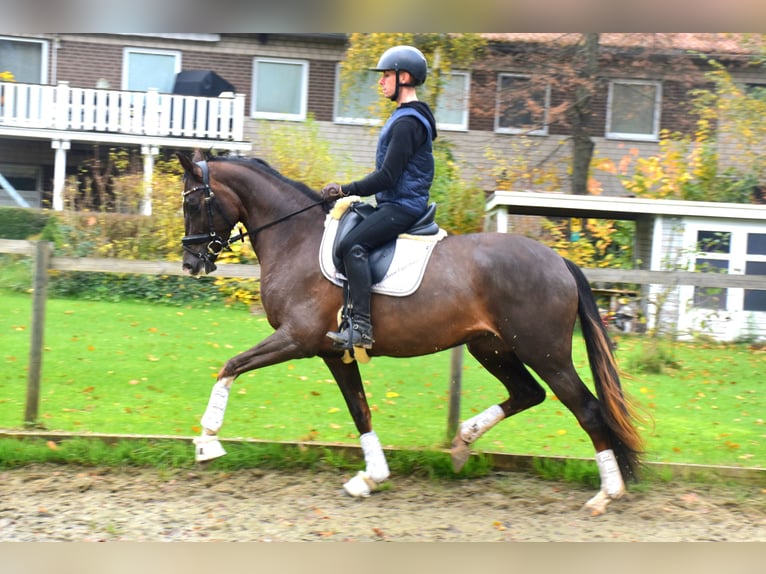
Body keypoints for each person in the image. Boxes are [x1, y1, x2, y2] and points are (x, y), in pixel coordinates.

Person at [321, 45, 437, 350]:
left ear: (405, 77)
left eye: (387, 75)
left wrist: (345, 189)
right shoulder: (403, 117)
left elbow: (387, 177)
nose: (381, 81)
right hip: (393, 203)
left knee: (352, 245)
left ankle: (361, 328)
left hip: (404, 207)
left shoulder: (407, 123)